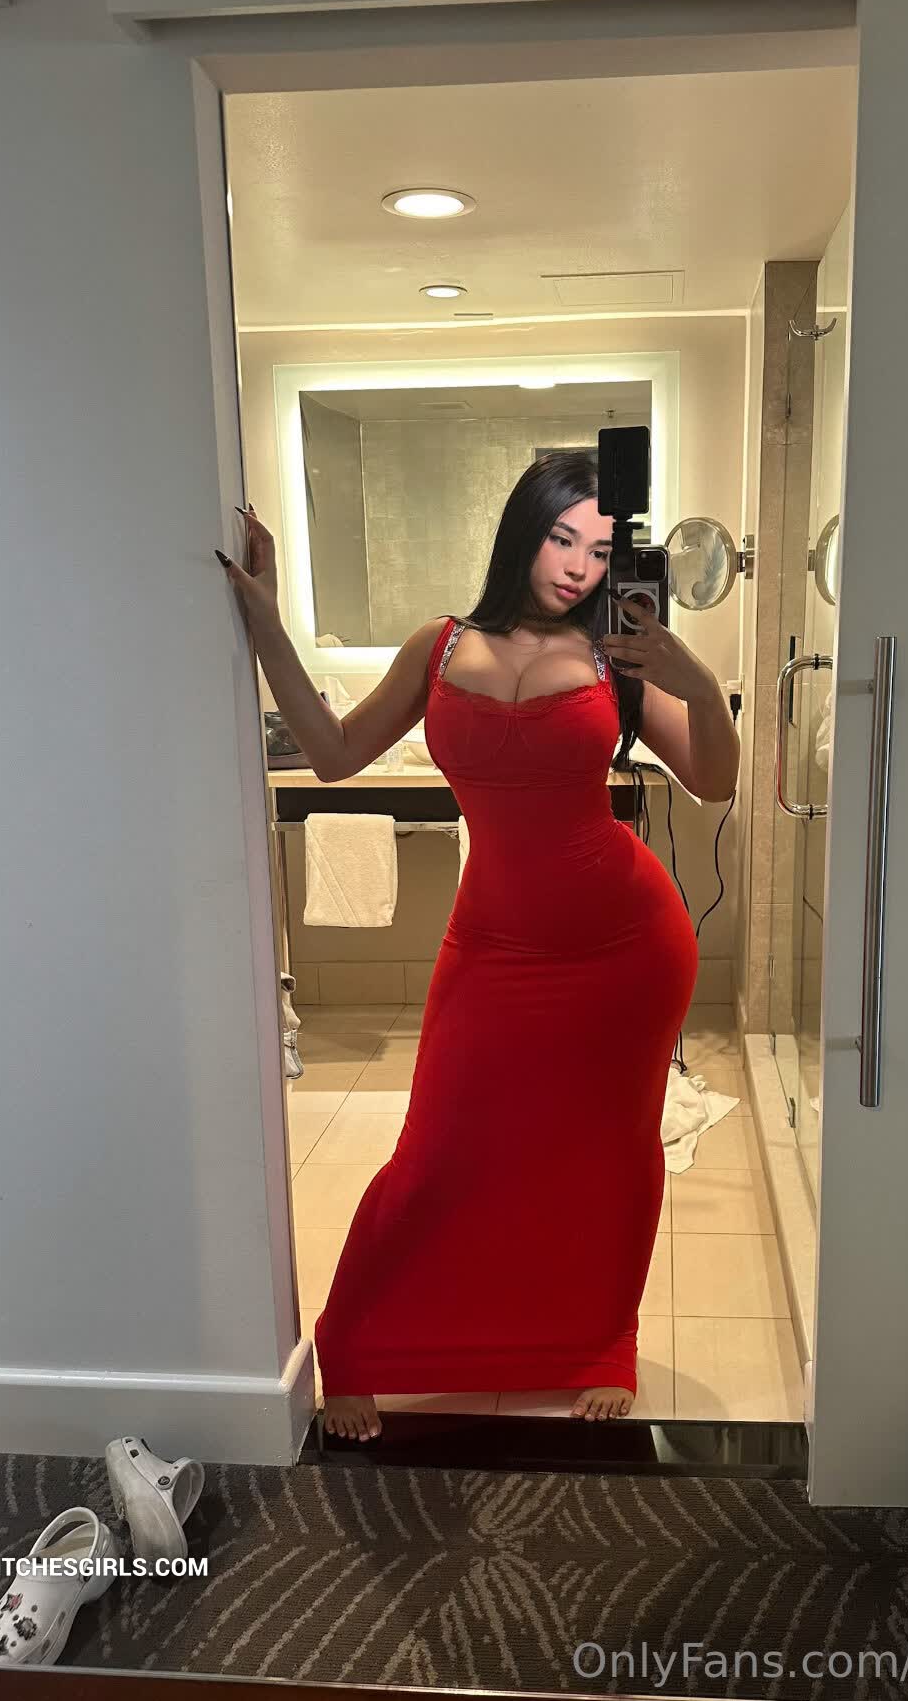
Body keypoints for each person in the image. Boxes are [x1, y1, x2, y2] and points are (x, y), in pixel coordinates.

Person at [219, 450, 740, 1441]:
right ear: (524, 531)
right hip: (492, 943)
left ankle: (596, 1338)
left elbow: (714, 780)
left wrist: (699, 684)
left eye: (600, 548)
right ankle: (360, 1343)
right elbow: (332, 754)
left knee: (605, 1150)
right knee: (438, 1147)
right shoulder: (440, 644)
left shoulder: (619, 657)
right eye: (562, 537)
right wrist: (267, 625)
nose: (579, 565)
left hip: (627, 949)